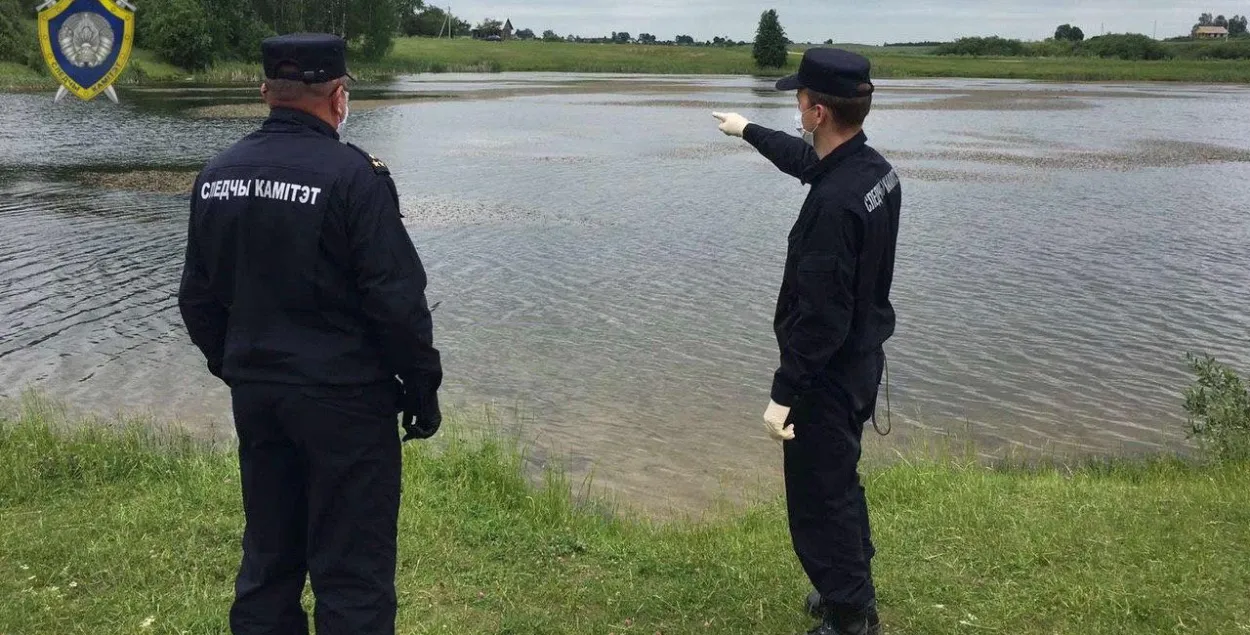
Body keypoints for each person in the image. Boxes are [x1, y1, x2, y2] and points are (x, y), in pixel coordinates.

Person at [177, 33, 443, 635]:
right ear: (338, 95)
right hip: (345, 400)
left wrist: (240, 365)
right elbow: (396, 300)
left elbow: (197, 298)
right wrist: (422, 386)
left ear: (267, 91)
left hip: (260, 397)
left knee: (268, 559)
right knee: (352, 570)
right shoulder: (355, 177)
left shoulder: (217, 174)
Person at [712, 48, 901, 635]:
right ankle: (851, 590)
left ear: (818, 112)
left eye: (800, 99)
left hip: (827, 375)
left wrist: (784, 392)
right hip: (860, 361)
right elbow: (804, 160)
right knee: (839, 480)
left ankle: (850, 616)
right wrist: (748, 131)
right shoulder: (871, 171)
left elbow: (820, 318)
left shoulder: (833, 205)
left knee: (819, 497)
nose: (795, 106)